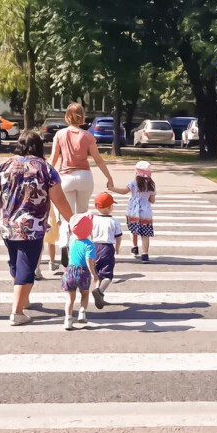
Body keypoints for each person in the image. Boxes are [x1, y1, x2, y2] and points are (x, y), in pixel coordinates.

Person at [0, 131, 73, 326]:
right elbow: (59, 199)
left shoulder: (4, 166)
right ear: (38, 146)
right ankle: (16, 312)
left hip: (7, 226)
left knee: (16, 263)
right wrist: (73, 220)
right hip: (32, 228)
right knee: (26, 269)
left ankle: (24, 300)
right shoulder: (45, 169)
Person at [49, 103, 115, 259]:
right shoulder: (88, 136)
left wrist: (43, 175)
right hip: (85, 177)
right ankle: (77, 250)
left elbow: (53, 159)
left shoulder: (60, 135)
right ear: (82, 117)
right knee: (81, 215)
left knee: (68, 216)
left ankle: (64, 243)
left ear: (67, 116)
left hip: (66, 178)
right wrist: (109, 177)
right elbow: (98, 160)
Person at [109, 160, 156, 263]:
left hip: (133, 211)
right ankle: (145, 254)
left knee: (133, 230)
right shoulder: (151, 185)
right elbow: (152, 200)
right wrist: (146, 198)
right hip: (146, 213)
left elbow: (124, 191)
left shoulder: (133, 183)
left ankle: (134, 247)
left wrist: (112, 188)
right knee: (145, 235)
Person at [62, 213, 99, 330]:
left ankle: (68, 319)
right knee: (85, 293)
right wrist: (94, 274)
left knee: (70, 298)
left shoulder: (72, 240)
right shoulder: (89, 245)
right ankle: (82, 311)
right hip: (83, 272)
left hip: (70, 271)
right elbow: (89, 260)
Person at [90, 192, 123, 309]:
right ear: (110, 207)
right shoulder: (114, 221)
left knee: (98, 274)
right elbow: (118, 237)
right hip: (107, 249)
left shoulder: (92, 219)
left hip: (94, 247)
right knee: (108, 275)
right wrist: (117, 247)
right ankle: (100, 291)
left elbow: (88, 233)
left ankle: (98, 293)